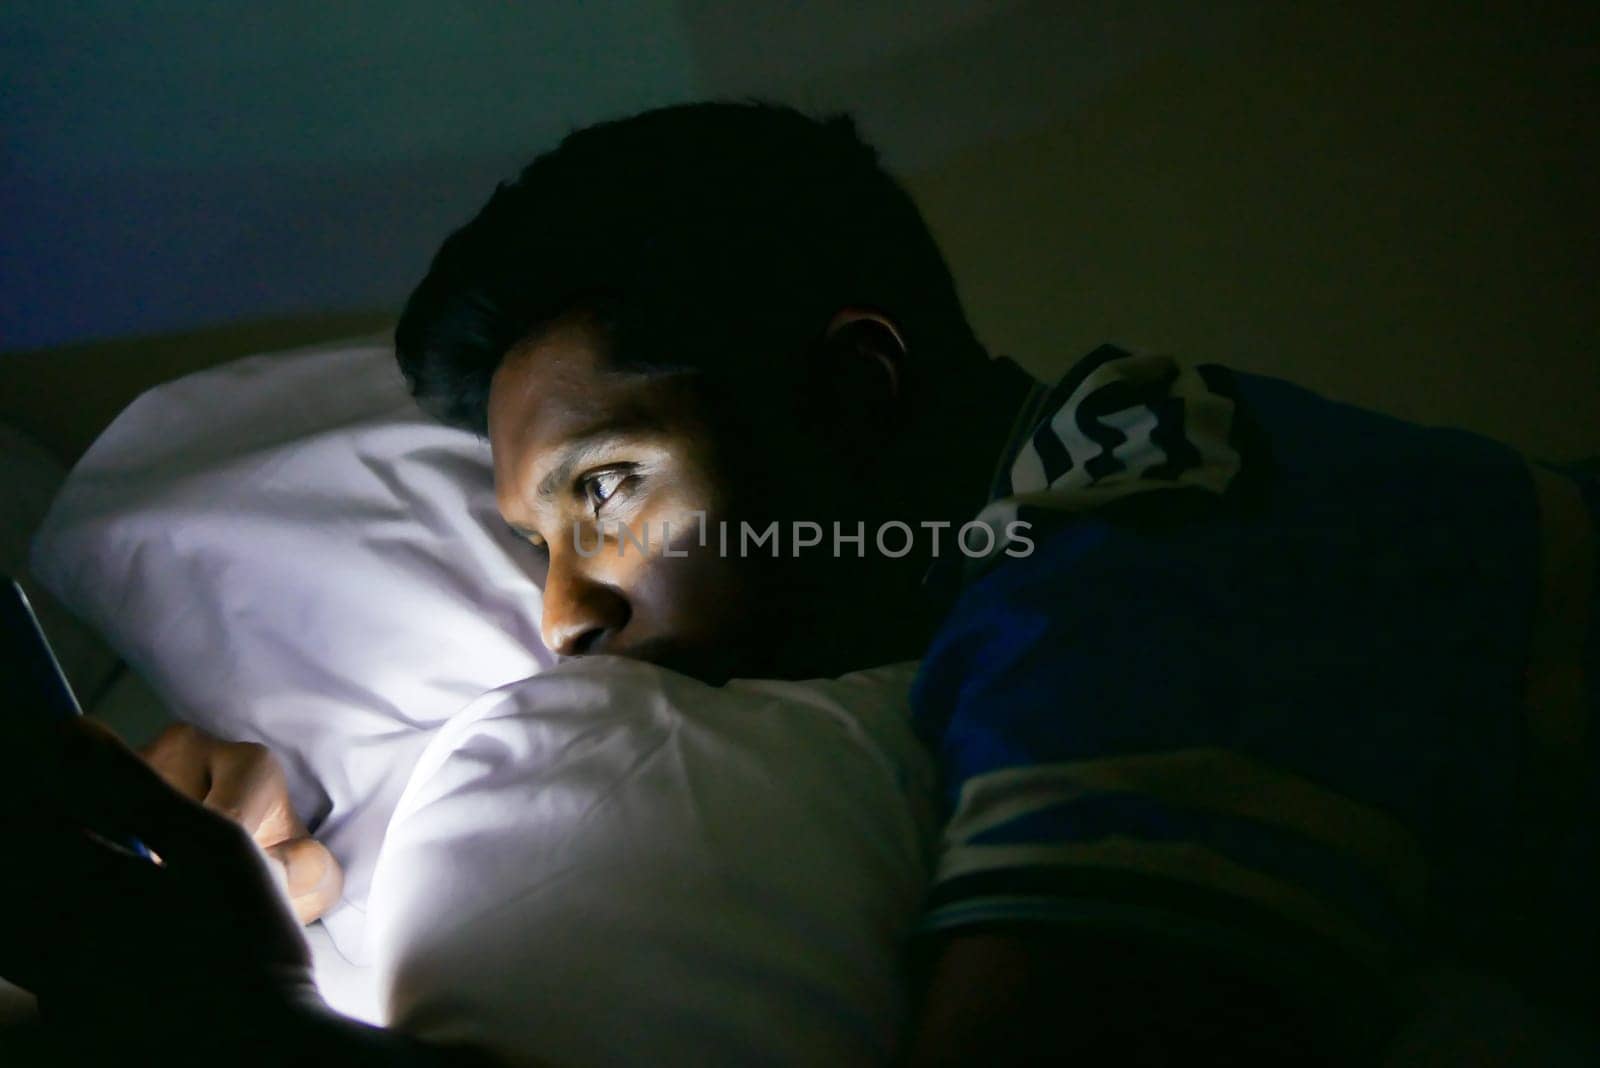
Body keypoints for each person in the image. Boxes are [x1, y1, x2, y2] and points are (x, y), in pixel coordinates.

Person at [3, 101, 1594, 1065]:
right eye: (534, 547)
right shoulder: (1034, 569)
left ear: (857, 393)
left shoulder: (1148, 548)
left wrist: (226, 1026)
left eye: (605, 492)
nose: (563, 614)